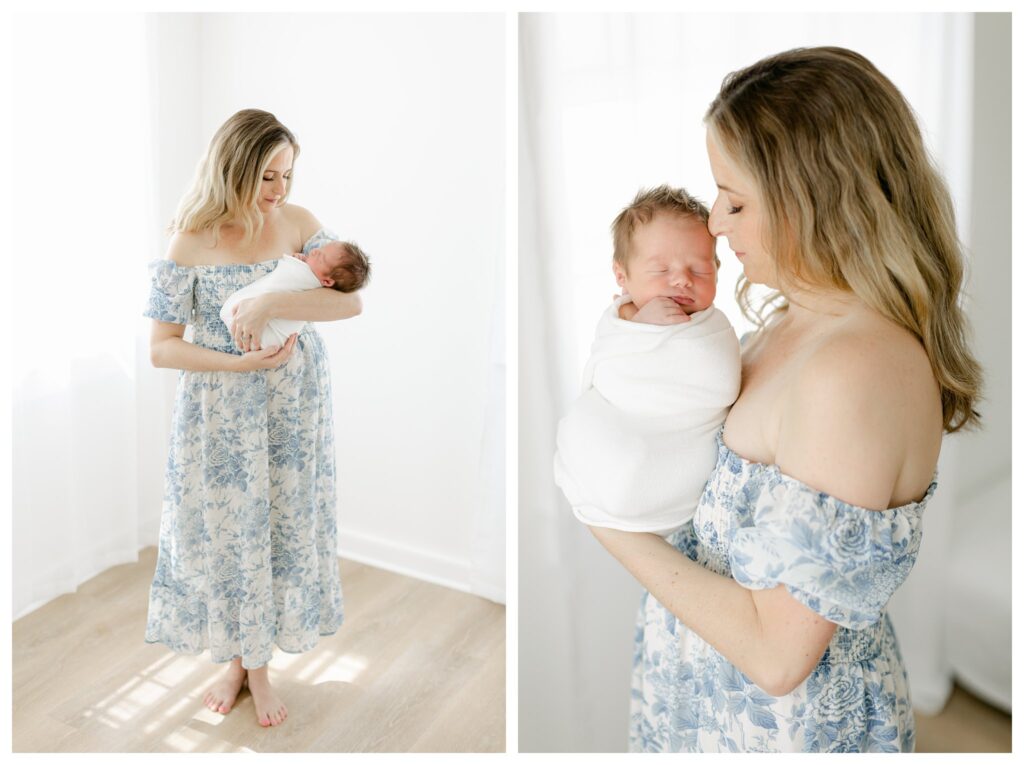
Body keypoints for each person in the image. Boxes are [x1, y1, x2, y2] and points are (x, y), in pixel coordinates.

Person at [589, 48, 982, 752]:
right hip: (705, 696)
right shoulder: (789, 324)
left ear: (817, 198)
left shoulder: (851, 371)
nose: (713, 222)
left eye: (735, 200)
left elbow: (778, 655)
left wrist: (607, 522)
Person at [143, 108, 362, 728]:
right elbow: (162, 348)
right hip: (222, 411)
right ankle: (244, 665)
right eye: (267, 177)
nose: (279, 192)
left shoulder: (299, 224)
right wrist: (238, 367)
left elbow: (352, 302)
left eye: (287, 175)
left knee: (281, 529)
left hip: (294, 405)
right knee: (231, 537)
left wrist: (271, 298)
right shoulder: (189, 240)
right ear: (231, 169)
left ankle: (252, 665)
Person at [553, 185, 740, 536]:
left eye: (700, 270)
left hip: (677, 452)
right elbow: (610, 367)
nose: (682, 280)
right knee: (580, 425)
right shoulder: (621, 322)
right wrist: (637, 327)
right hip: (627, 428)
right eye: (661, 270)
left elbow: (719, 381)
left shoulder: (711, 329)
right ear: (622, 277)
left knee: (636, 465)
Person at [220, 239, 371, 351]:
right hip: (267, 345)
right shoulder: (323, 266)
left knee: (235, 310)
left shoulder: (312, 281)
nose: (313, 251)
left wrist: (297, 263)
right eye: (320, 248)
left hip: (266, 338)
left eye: (321, 257)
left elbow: (355, 303)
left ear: (327, 282)